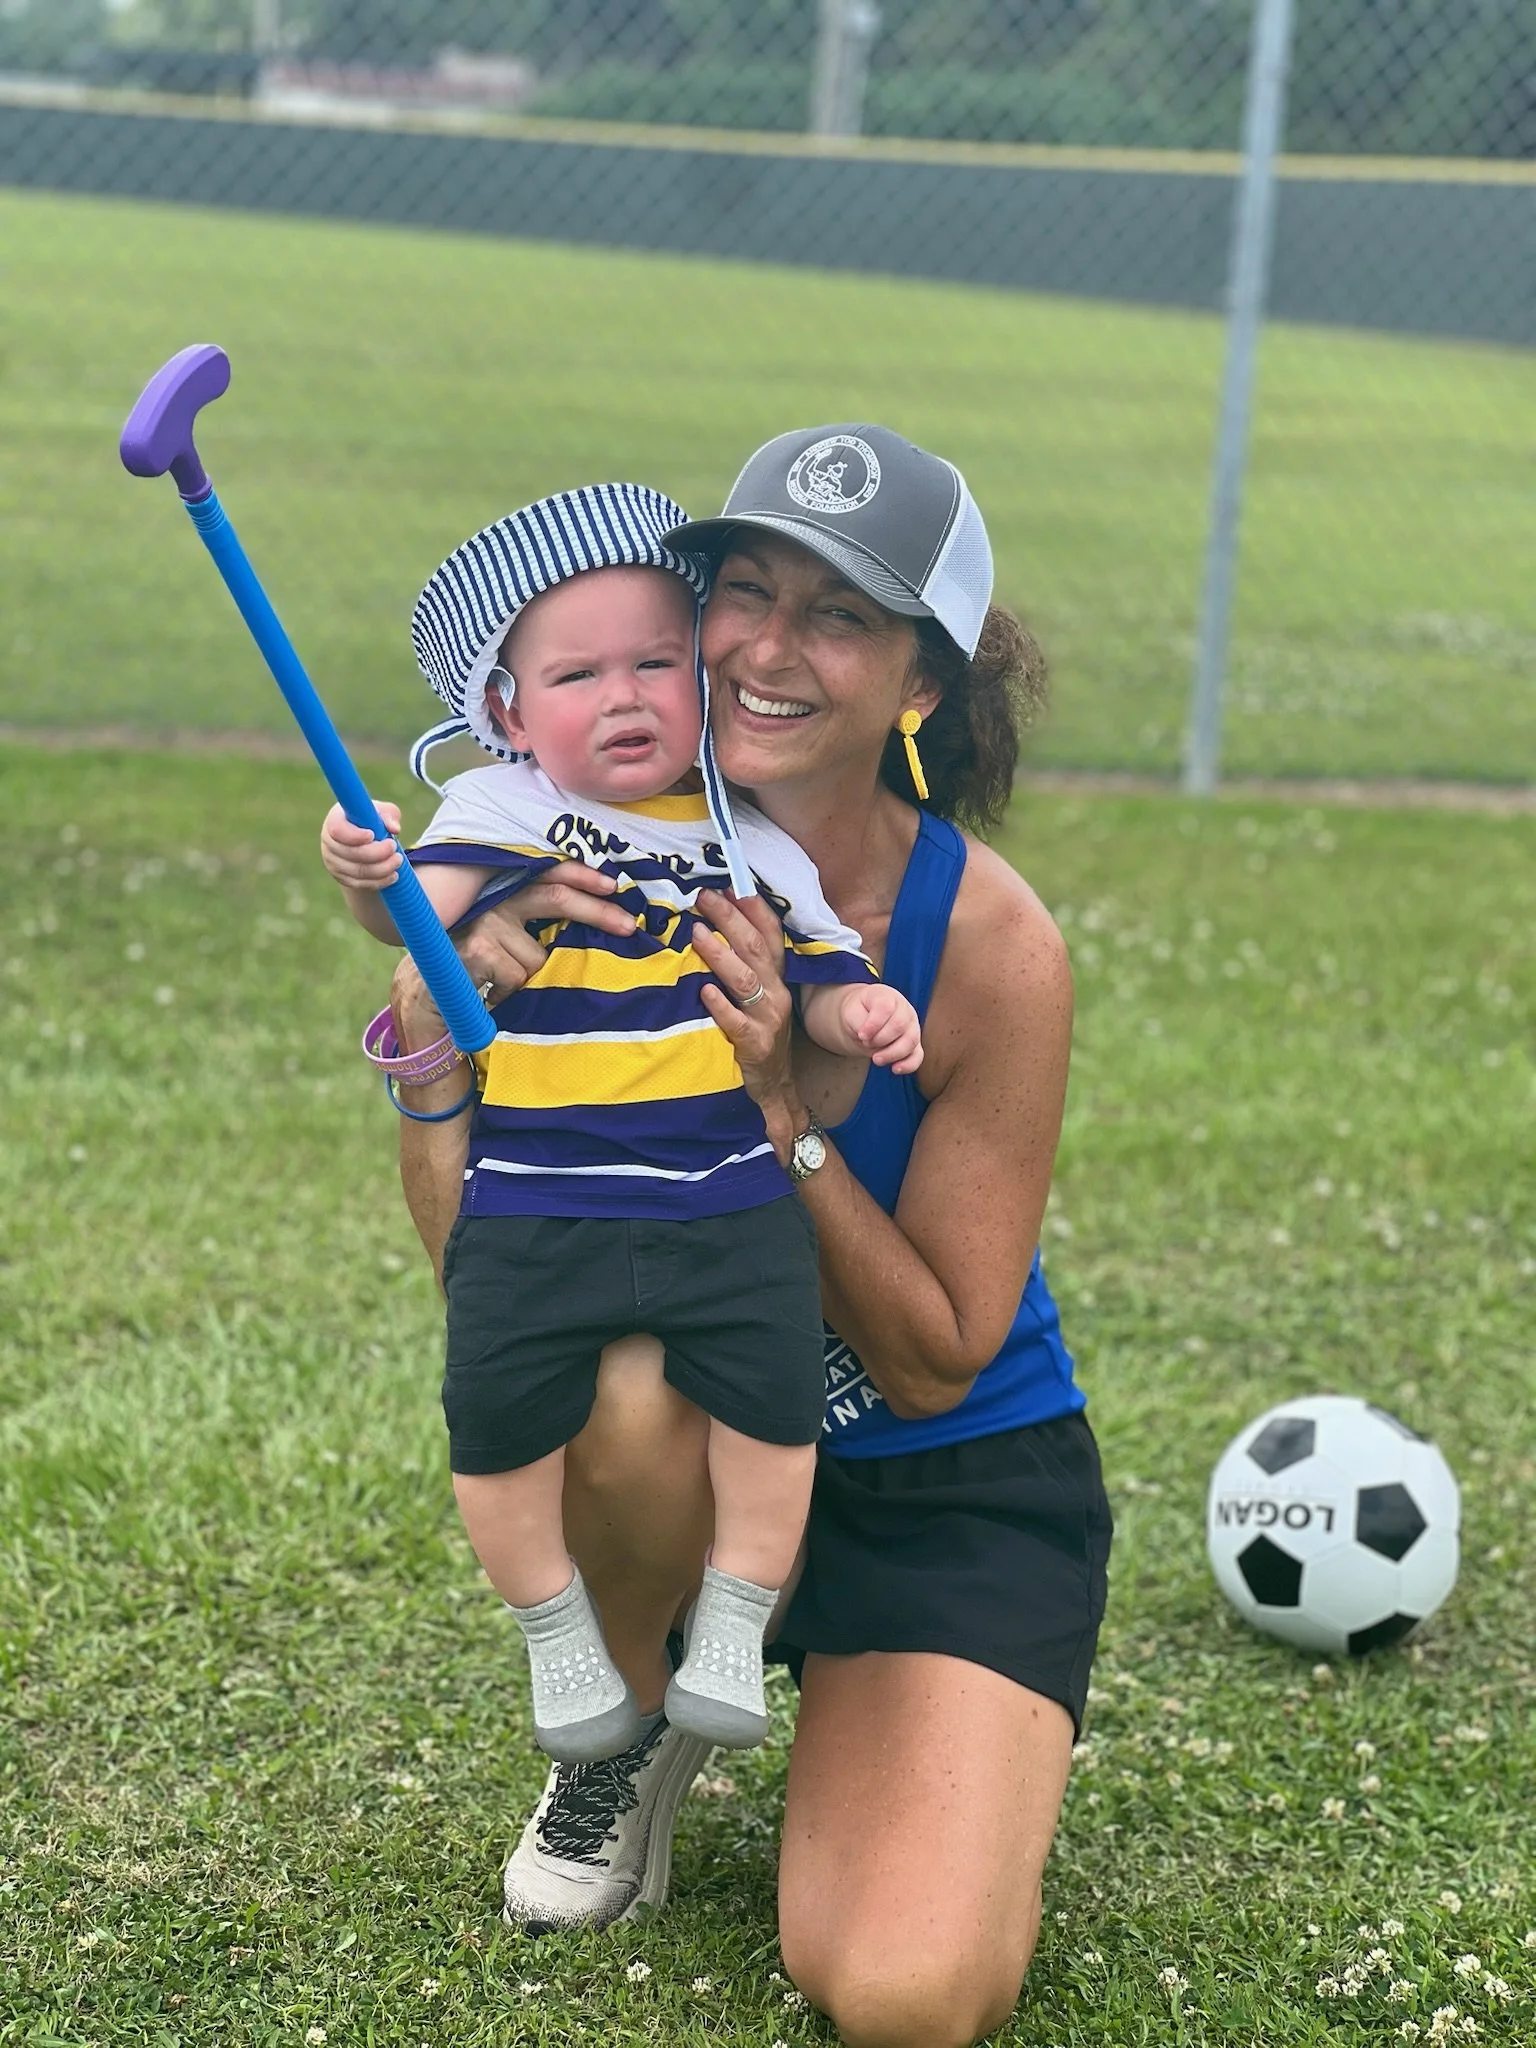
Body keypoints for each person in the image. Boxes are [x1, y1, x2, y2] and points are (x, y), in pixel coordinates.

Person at [388, 427, 1112, 2048]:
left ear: (919, 682)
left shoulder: (988, 942)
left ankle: (877, 1708)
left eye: (842, 616)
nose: (771, 649)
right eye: (746, 592)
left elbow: (935, 1362)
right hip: (693, 1428)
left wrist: (785, 1097)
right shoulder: (556, 852)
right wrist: (437, 1065)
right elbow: (477, 1275)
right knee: (615, 1368)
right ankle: (639, 1717)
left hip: (942, 1481)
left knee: (905, 1991)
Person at [321, 484, 923, 1765]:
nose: (628, 694)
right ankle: (559, 1638)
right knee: (493, 1426)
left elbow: (818, 969)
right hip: (541, 1199)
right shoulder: (501, 809)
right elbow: (413, 923)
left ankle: (730, 1627)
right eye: (579, 673)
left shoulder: (746, 835)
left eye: (657, 660)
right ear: (507, 711)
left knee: (774, 1412)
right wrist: (379, 879)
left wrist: (859, 1009)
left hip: (723, 1190)